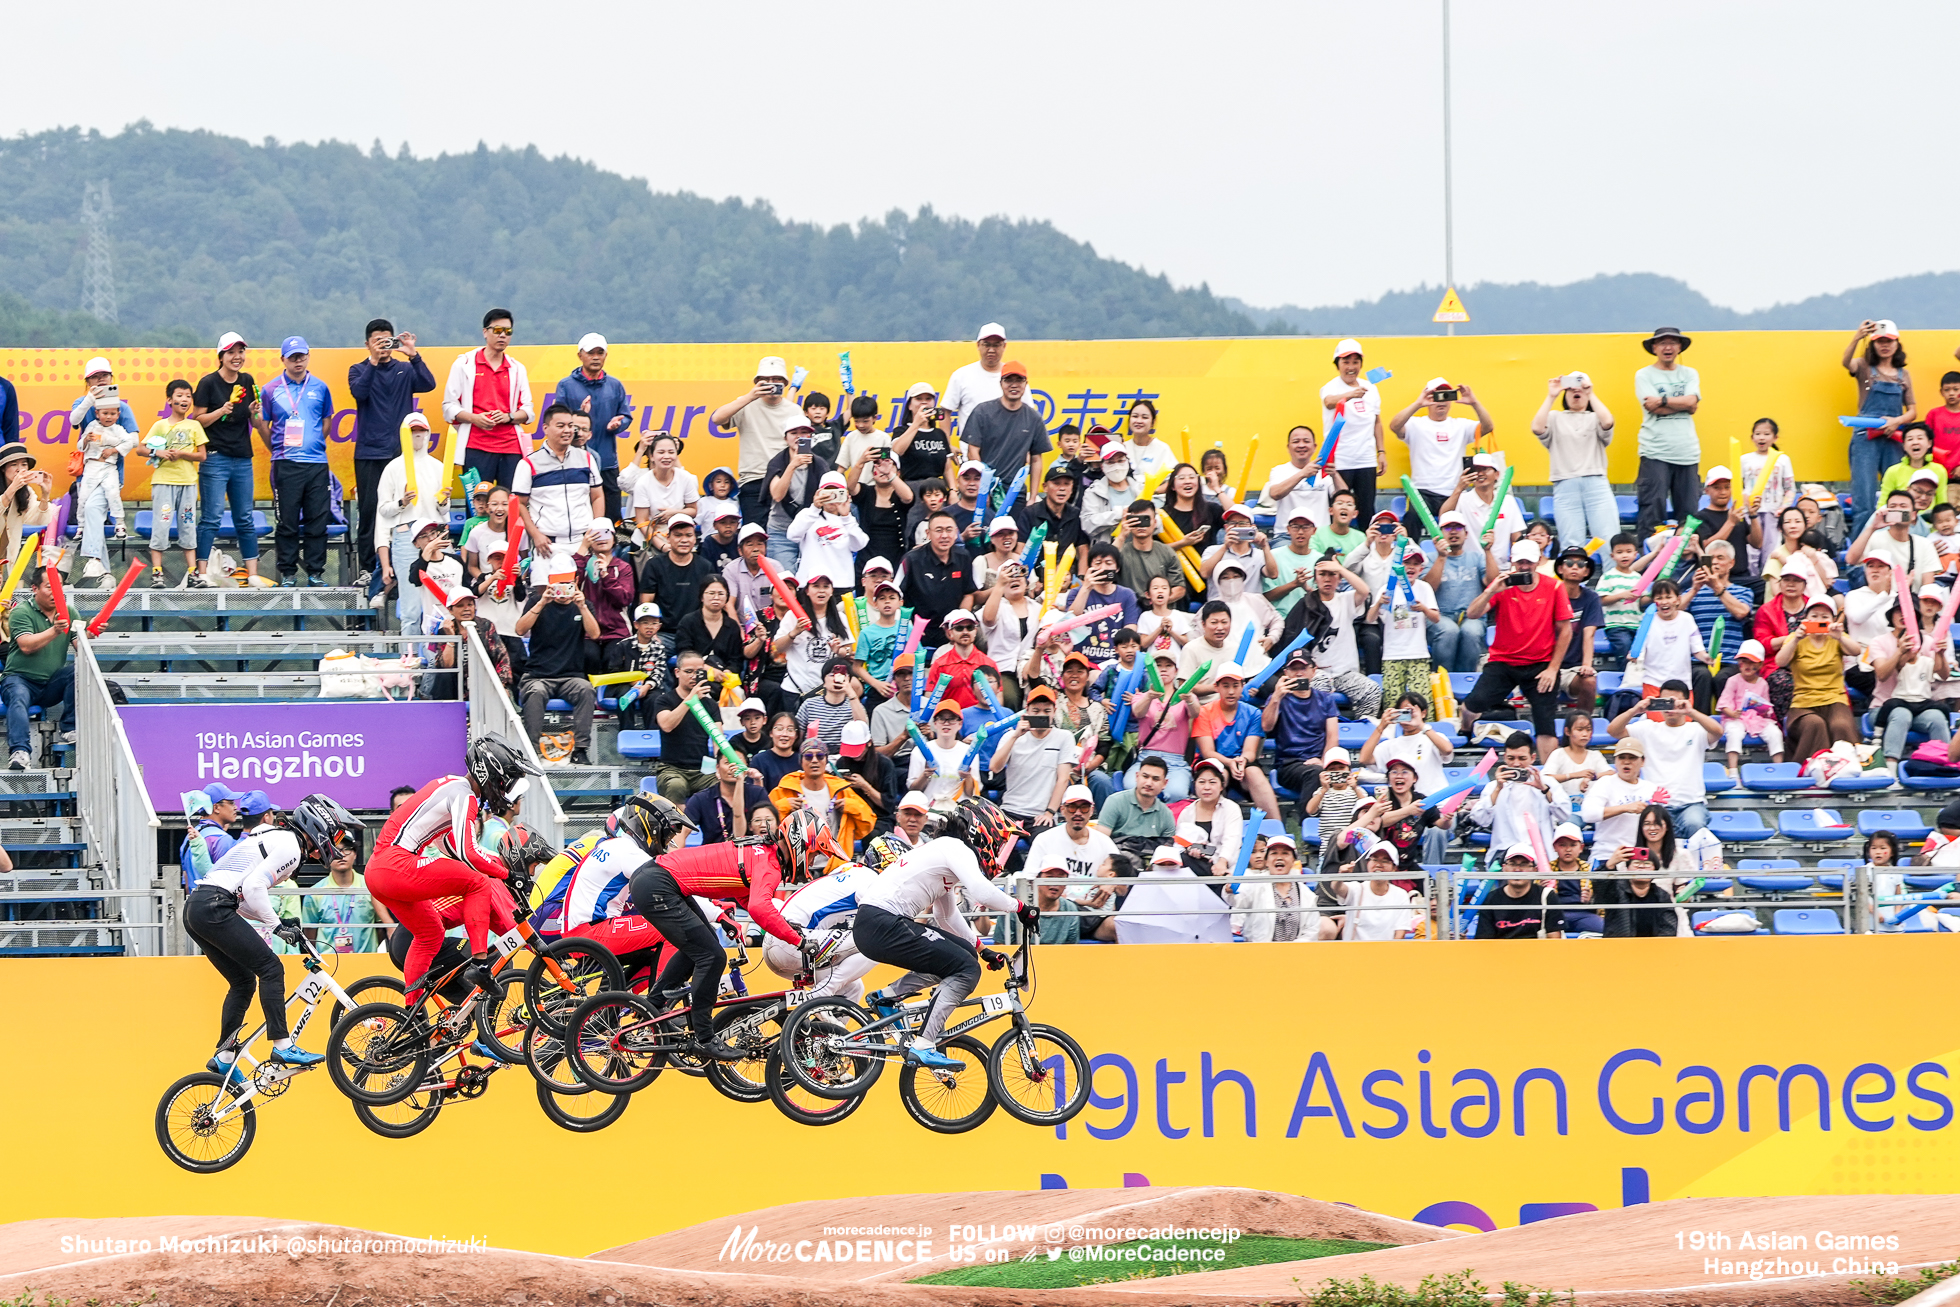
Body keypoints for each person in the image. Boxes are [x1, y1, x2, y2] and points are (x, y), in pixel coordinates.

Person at [624, 800, 824, 1060]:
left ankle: (651, 1008)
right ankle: (705, 1038)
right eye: (812, 854)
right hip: (659, 883)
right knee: (713, 956)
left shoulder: (763, 852)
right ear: (800, 845)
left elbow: (746, 896)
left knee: (698, 949)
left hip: (658, 881)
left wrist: (780, 926)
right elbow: (761, 908)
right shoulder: (770, 862)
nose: (811, 861)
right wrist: (798, 940)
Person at [186, 795, 364, 1082]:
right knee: (271, 969)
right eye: (337, 835)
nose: (338, 844)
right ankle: (282, 1045)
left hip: (199, 908)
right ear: (320, 829)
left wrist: (276, 922)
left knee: (243, 982)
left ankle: (224, 1057)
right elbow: (254, 888)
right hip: (214, 906)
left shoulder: (278, 838)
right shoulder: (290, 846)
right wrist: (276, 926)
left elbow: (243, 895)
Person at [853, 798, 1030, 1068]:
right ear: (981, 831)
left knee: (965, 955)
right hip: (883, 921)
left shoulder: (943, 850)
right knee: (967, 969)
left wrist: (982, 950)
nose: (997, 849)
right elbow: (981, 891)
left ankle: (886, 997)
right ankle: (924, 1044)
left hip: (874, 923)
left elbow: (945, 915)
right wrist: (1020, 907)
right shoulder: (955, 847)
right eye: (998, 841)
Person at [368, 738, 538, 1002]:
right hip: (394, 864)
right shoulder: (465, 795)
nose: (505, 790)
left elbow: (447, 844)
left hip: (379, 871)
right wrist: (507, 874)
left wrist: (497, 865)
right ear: (489, 775)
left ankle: (410, 1014)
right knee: (477, 882)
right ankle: (481, 965)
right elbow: (468, 852)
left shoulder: (450, 786)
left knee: (430, 933)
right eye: (505, 782)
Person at [1460, 540, 1574, 759]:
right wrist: (1491, 590)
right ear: (1513, 562)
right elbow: (1473, 613)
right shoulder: (1503, 586)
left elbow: (1565, 630)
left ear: (1538, 562)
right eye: (1520, 562)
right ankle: (1465, 731)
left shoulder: (1554, 586)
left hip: (1539, 663)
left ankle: (1548, 774)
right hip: (1504, 661)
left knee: (1545, 721)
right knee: (1472, 705)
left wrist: (1552, 669)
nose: (1524, 567)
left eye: (1528, 562)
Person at [347, 320, 436, 588]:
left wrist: (413, 354)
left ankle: (408, 565)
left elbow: (428, 383)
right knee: (370, 511)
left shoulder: (404, 369)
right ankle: (367, 568)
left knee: (407, 509)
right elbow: (359, 392)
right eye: (378, 341)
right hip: (369, 452)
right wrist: (374, 361)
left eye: (388, 340)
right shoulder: (358, 369)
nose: (384, 345)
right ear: (367, 344)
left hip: (401, 454)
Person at [256, 337, 335, 587]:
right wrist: (279, 449)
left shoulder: (320, 387)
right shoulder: (270, 389)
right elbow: (262, 425)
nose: (298, 361)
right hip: (285, 463)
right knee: (287, 521)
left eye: (301, 356)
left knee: (317, 519)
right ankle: (288, 572)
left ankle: (315, 572)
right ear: (283, 360)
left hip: (316, 463)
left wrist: (311, 445)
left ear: (308, 356)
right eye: (292, 357)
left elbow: (326, 422)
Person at [190, 332, 264, 586]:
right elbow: (196, 419)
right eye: (232, 352)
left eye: (241, 352)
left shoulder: (247, 380)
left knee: (245, 516)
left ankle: (252, 572)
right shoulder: (208, 383)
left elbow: (251, 419)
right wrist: (220, 410)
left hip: (242, 456)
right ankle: (201, 573)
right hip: (214, 457)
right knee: (211, 516)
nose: (237, 357)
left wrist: (253, 412)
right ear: (221, 356)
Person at [1606, 680, 1722, 836]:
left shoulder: (1696, 730)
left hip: (1691, 804)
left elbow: (1718, 732)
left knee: (1694, 824)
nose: (1670, 708)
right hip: (1656, 804)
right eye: (1665, 701)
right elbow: (1613, 731)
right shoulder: (1647, 728)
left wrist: (1690, 711)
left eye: (1675, 702)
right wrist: (1635, 710)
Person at [443, 309, 534, 495]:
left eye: (508, 332)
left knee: (511, 502)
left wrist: (508, 417)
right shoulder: (464, 364)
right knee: (478, 504)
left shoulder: (517, 368)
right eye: (497, 330)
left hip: (511, 447)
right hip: (476, 445)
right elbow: (448, 407)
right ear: (485, 332)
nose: (502, 336)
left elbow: (528, 411)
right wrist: (475, 418)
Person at [515, 566, 600, 766]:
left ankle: (580, 749)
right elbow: (520, 629)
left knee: (586, 690)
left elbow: (595, 634)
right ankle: (531, 750)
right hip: (538, 674)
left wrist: (582, 607)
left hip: (571, 675)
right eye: (559, 584)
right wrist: (543, 602)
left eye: (568, 584)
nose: (563, 590)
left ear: (576, 582)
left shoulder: (583, 605)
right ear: (551, 583)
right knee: (535, 692)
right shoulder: (537, 601)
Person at [1392, 376, 1494, 538]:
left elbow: (1488, 427)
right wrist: (1418, 403)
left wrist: (1474, 402)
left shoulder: (1461, 425)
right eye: (1436, 396)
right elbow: (1394, 426)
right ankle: (1411, 559)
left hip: (1453, 491)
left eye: (1446, 395)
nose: (1441, 401)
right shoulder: (1415, 424)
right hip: (1422, 491)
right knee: (1411, 519)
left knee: (1461, 528)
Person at [714, 356, 805, 529]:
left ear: (785, 383)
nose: (771, 383)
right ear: (757, 382)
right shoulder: (746, 404)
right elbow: (717, 419)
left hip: (784, 481)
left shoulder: (794, 411)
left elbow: (802, 447)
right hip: (753, 480)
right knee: (754, 537)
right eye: (766, 379)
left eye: (777, 379)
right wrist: (750, 396)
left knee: (787, 536)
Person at [1531, 371, 1619, 549]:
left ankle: (1611, 577)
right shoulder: (1555, 417)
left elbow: (1608, 422)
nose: (1576, 392)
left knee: (1608, 540)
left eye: (1581, 388)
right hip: (1565, 484)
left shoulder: (1596, 417)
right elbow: (1537, 428)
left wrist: (1591, 392)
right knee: (1571, 543)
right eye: (1570, 389)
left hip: (1596, 484)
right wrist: (1551, 395)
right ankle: (1575, 577)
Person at [1844, 319, 1916, 531]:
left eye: (1889, 341)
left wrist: (1897, 421)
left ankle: (1895, 550)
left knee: (1897, 497)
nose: (1885, 345)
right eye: (1880, 341)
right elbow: (1846, 362)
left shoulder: (1904, 375)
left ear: (1897, 344)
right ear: (1873, 344)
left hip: (1893, 439)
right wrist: (1857, 336)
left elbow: (1912, 410)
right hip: (1866, 437)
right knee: (1863, 500)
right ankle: (1859, 560)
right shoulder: (1864, 367)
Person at [552, 334, 632, 520]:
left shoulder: (615, 385)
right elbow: (557, 420)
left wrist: (618, 424)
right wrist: (579, 417)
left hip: (606, 462)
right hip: (574, 462)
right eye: (591, 353)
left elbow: (626, 415)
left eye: (600, 352)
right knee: (577, 516)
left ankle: (611, 549)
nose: (596, 357)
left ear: (605, 355)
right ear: (580, 355)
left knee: (611, 518)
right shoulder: (566, 385)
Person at [1632, 327, 1702, 536]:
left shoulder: (1690, 373)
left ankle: (1688, 563)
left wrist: (1663, 400)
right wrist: (1682, 404)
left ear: (1680, 347)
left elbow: (1692, 403)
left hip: (1687, 453)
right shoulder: (1644, 374)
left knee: (1689, 517)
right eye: (1662, 343)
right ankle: (1647, 565)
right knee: (1652, 513)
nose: (1668, 347)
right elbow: (1652, 408)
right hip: (1655, 452)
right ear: (1654, 347)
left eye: (1673, 342)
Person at [512, 404, 604, 562]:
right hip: (547, 545)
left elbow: (597, 497)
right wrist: (536, 535)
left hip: (583, 542)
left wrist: (594, 531)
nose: (567, 430)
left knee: (582, 587)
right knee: (546, 587)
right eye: (560, 426)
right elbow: (519, 504)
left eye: (570, 426)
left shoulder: (587, 458)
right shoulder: (528, 464)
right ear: (546, 428)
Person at [3, 568, 74, 770]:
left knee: (76, 671)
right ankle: (20, 752)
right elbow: (26, 646)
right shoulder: (21, 612)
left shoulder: (69, 612)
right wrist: (54, 630)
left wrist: (92, 633)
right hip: (20, 679)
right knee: (18, 697)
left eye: (59, 587)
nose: (56, 592)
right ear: (35, 588)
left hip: (50, 684)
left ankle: (69, 728)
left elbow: (81, 646)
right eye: (50, 587)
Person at [142, 380, 207, 588]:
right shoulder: (160, 425)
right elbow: (140, 449)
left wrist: (182, 454)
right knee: (161, 524)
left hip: (187, 484)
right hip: (163, 483)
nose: (184, 400)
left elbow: (202, 455)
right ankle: (157, 572)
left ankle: (192, 572)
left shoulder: (194, 425)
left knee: (188, 524)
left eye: (188, 396)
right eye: (180, 395)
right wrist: (158, 452)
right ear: (169, 400)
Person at [987, 682, 1077, 834]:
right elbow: (995, 767)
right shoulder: (1011, 736)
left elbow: (1063, 779)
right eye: (1036, 711)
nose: (1041, 715)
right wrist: (1015, 736)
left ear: (1054, 712)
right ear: (1027, 711)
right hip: (1010, 809)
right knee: (998, 847)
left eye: (1046, 711)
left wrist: (1050, 812)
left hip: (1041, 813)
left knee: (1045, 845)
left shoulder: (1064, 737)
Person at [768, 730, 877, 851]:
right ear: (801, 761)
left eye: (820, 756)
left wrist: (854, 807)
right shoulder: (783, 791)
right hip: (797, 865)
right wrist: (781, 807)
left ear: (826, 761)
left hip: (835, 864)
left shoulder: (841, 790)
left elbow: (868, 824)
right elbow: (767, 829)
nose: (814, 760)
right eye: (808, 756)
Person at [1467, 732, 1568, 861]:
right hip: (1505, 854)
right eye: (1511, 758)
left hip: (1540, 856)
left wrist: (1544, 790)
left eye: (1522, 758)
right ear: (1504, 757)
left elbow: (1564, 813)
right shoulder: (1493, 787)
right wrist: (1498, 789)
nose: (1516, 764)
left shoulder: (1547, 782)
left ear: (1532, 758)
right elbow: (1480, 819)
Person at [1321, 339, 1387, 519]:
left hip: (1365, 459)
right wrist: (1351, 394)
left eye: (1355, 362)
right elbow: (1329, 402)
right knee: (1338, 509)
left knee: (1366, 510)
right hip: (1340, 460)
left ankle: (1367, 545)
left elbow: (1377, 421)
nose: (1351, 367)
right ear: (1338, 365)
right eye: (1346, 362)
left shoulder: (1371, 389)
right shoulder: (1331, 387)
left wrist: (1381, 452)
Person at [648, 652, 726, 804]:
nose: (694, 676)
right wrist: (690, 700)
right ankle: (677, 827)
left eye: (699, 672)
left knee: (724, 784)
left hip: (702, 770)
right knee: (675, 785)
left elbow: (718, 738)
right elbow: (667, 725)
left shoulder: (710, 705)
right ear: (677, 673)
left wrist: (720, 766)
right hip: (671, 768)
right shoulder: (664, 700)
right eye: (689, 671)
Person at [1422, 510, 1495, 673]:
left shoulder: (1477, 557)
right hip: (1439, 615)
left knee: (1471, 632)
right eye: (1448, 528)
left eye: (1458, 527)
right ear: (1439, 534)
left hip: (1471, 615)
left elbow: (1492, 584)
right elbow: (1428, 589)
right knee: (1449, 631)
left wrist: (1488, 551)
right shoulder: (1429, 558)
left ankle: (1465, 681)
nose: (1453, 531)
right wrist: (1442, 557)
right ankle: (1442, 681)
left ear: (1466, 533)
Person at [639, 513, 720, 660]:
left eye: (688, 535)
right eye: (678, 535)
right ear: (668, 537)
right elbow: (646, 603)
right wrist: (653, 633)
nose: (684, 540)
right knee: (650, 655)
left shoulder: (705, 566)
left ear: (694, 538)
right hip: (664, 633)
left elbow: (711, 604)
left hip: (695, 632)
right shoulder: (655, 565)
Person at [1263, 650, 1340, 805]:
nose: (1299, 673)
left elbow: (1333, 737)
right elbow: (1266, 726)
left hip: (1319, 761)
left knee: (1338, 774)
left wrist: (1323, 762)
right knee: (1315, 774)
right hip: (1289, 763)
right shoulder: (1278, 699)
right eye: (1293, 669)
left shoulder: (1325, 699)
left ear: (1313, 670)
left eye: (1303, 668)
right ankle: (1308, 823)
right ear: (1286, 673)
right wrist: (1276, 697)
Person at [1369, 543, 1440, 708]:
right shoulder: (1387, 589)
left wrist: (1423, 608)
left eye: (1416, 564)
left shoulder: (1424, 588)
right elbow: (1370, 618)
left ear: (1421, 569)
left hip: (1418, 654)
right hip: (1392, 655)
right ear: (1398, 566)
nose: (1411, 567)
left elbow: (1436, 618)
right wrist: (1379, 603)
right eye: (1407, 563)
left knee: (1422, 703)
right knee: (1393, 704)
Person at [963, 360, 1050, 486]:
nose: (1014, 385)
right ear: (1001, 383)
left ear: (1026, 384)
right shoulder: (982, 412)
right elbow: (973, 451)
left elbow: (1036, 459)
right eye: (1009, 380)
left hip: (1015, 490)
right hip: (986, 488)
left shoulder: (1033, 418)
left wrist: (1032, 498)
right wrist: (984, 487)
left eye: (1019, 380)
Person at [1440, 455, 1527, 566]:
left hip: (1501, 566)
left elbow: (1515, 536)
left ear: (1497, 474)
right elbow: (1443, 516)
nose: (1480, 474)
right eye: (1476, 470)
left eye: (1485, 469)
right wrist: (1459, 488)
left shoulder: (1508, 501)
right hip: (1470, 567)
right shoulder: (1462, 498)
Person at [1849, 489, 1941, 588]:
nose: (1898, 510)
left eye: (1903, 506)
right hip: (1880, 599)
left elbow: (1928, 586)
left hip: (1911, 600)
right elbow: (1851, 560)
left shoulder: (1925, 544)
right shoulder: (1874, 537)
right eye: (1893, 506)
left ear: (1913, 515)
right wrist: (1872, 528)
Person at [1715, 639, 1782, 773]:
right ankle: (1733, 771)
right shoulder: (1733, 680)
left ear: (1760, 665)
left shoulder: (1762, 683)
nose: (1747, 665)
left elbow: (1766, 708)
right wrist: (1732, 713)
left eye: (1751, 662)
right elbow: (1724, 703)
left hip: (1757, 719)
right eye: (1743, 661)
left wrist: (1762, 710)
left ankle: (1779, 768)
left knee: (1775, 733)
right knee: (1734, 732)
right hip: (1735, 718)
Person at [1470, 846, 1566, 940]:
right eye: (1512, 864)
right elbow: (1484, 942)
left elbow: (1554, 940)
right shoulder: (1491, 899)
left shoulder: (1547, 896)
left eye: (1524, 864)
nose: (1517, 869)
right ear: (1504, 868)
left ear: (1534, 870)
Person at [685, 753, 770, 845]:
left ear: (746, 767)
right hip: (714, 855)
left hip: (752, 853)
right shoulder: (701, 799)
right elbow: (681, 832)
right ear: (717, 768)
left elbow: (771, 826)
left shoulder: (758, 793)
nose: (733, 767)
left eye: (738, 762)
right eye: (727, 762)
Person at [628, 434, 700, 538]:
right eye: (661, 452)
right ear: (651, 456)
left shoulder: (686, 478)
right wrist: (662, 546)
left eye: (671, 452)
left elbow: (693, 510)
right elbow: (642, 522)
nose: (666, 456)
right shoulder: (642, 482)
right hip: (649, 537)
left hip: (678, 536)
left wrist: (674, 513)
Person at [1115, 502, 1187, 605]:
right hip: (1129, 609)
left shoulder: (1166, 551)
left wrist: (1155, 601)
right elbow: (1105, 566)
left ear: (1155, 523)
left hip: (1160, 612)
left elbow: (1179, 588)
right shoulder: (1121, 551)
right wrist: (1121, 536)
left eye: (1146, 519)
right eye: (1136, 520)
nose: (1141, 525)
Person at [796, 655, 870, 750]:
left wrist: (851, 693)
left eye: (843, 675)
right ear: (824, 681)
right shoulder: (809, 704)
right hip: (816, 755)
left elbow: (862, 728)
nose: (837, 679)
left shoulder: (854, 704)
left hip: (845, 756)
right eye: (832, 675)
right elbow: (797, 736)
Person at [944, 324, 1009, 428]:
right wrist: (947, 443)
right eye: (986, 345)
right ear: (978, 345)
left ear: (1004, 346)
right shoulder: (961, 375)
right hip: (970, 444)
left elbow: (1027, 413)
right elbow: (945, 411)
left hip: (1007, 444)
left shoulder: (1014, 376)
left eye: (996, 345)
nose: (991, 350)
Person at [1543, 711, 1611, 793]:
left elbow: (1610, 773)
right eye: (1580, 730)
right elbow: (1546, 778)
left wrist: (1593, 777)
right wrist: (1573, 775)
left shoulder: (1595, 755)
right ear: (1567, 731)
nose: (1585, 734)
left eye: (1588, 730)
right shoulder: (1558, 754)